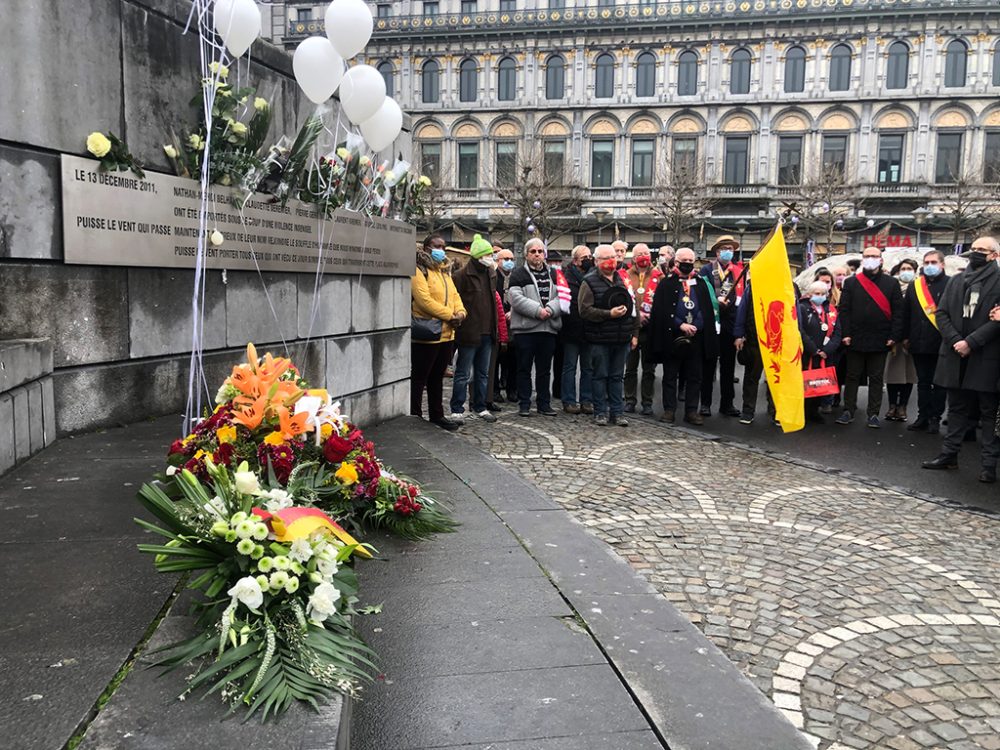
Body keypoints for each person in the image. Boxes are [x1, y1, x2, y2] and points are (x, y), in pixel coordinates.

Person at [922, 237, 1000, 483]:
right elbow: (942, 313)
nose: (976, 253)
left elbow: (997, 321)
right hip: (955, 354)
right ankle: (949, 455)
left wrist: (971, 342)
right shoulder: (957, 280)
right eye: (974, 249)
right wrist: (957, 340)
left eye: (982, 250)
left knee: (988, 413)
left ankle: (988, 465)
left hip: (985, 356)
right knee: (956, 408)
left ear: (994, 255)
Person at [649, 247, 719, 425]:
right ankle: (669, 410)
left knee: (695, 376)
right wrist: (680, 324)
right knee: (670, 375)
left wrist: (696, 325)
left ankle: (691, 411)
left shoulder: (701, 283)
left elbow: (707, 309)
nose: (688, 265)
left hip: (696, 337)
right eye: (684, 262)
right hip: (673, 337)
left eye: (691, 261)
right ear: (676, 262)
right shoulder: (667, 284)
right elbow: (661, 310)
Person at [835, 246, 903, 428]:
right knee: (852, 376)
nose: (870, 259)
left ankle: (873, 414)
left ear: (881, 260)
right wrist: (846, 334)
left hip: (881, 338)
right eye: (867, 256)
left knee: (876, 378)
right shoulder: (851, 283)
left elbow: (898, 313)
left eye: (874, 256)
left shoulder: (891, 283)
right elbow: (845, 310)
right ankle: (848, 409)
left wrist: (893, 336)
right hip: (855, 338)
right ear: (862, 259)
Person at [579, 244, 639, 426]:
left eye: (612, 257)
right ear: (596, 261)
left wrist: (635, 333)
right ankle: (600, 412)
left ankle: (617, 413)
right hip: (600, 338)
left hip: (622, 338)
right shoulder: (588, 281)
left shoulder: (623, 280)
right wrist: (608, 314)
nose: (610, 261)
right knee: (600, 375)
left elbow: (634, 308)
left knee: (617, 376)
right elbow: (584, 310)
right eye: (605, 258)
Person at [410, 235, 465, 431]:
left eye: (443, 246)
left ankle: (437, 414)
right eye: (436, 246)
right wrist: (450, 315)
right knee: (419, 377)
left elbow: (455, 296)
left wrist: (460, 312)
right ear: (426, 248)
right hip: (427, 333)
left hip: (446, 334)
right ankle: (415, 415)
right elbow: (424, 301)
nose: (440, 249)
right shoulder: (419, 270)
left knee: (437, 377)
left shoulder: (444, 271)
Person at [508, 238, 563, 417]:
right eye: (533, 251)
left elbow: (563, 296)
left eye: (540, 251)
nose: (537, 254)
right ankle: (524, 404)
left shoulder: (555, 274)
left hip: (548, 329)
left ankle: (544, 403)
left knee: (544, 370)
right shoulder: (518, 274)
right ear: (526, 254)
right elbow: (515, 299)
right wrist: (538, 311)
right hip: (525, 330)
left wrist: (550, 309)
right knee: (524, 368)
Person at [449, 234, 499, 424]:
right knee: (463, 373)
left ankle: (480, 406)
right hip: (469, 332)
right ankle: (457, 408)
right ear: (478, 256)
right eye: (487, 254)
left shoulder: (491, 273)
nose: (490, 258)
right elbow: (455, 301)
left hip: (488, 332)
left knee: (483, 372)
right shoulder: (461, 276)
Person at [902, 250, 949, 433]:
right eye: (926, 262)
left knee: (939, 384)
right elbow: (907, 314)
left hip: (941, 342)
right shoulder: (915, 286)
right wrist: (905, 337)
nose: (929, 266)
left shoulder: (951, 284)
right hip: (919, 342)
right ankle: (922, 416)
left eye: (933, 262)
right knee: (922, 382)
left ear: (942, 264)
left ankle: (935, 418)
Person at [699, 235, 745, 418]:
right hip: (712, 322)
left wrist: (740, 332)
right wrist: (714, 301)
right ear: (717, 252)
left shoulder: (739, 272)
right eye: (725, 248)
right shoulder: (706, 270)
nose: (728, 252)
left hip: (731, 323)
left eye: (731, 249)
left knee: (728, 367)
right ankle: (705, 403)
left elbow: (744, 300)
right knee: (708, 366)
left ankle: (727, 404)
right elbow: (701, 294)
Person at [624, 243, 663, 415]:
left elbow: (663, 301)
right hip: (631, 328)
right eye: (640, 254)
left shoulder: (659, 276)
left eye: (646, 253)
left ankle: (647, 402)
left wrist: (650, 316)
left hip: (650, 328)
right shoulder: (624, 275)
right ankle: (630, 400)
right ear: (633, 257)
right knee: (630, 368)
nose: (643, 257)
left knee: (649, 369)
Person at [798, 280, 843, 424]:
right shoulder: (802, 308)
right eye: (817, 293)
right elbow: (801, 330)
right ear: (810, 294)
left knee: (819, 383)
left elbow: (837, 333)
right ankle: (804, 411)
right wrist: (813, 349)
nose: (820, 296)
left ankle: (814, 410)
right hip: (808, 353)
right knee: (806, 382)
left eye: (823, 294)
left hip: (826, 354)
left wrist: (827, 350)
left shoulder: (831, 310)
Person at [734, 275, 775, 425]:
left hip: (777, 342)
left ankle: (775, 411)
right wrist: (739, 334)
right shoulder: (752, 287)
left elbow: (794, 311)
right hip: (754, 339)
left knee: (775, 379)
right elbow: (742, 311)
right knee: (752, 377)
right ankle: (748, 411)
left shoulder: (787, 285)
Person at [560, 245, 595, 414]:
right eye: (584, 257)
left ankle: (586, 400)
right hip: (571, 329)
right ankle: (569, 400)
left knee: (588, 368)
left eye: (590, 256)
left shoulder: (594, 276)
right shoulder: (566, 277)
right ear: (575, 261)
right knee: (570, 367)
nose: (588, 260)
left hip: (589, 329)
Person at [884, 259, 919, 422]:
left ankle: (903, 406)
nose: (906, 271)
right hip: (894, 338)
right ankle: (892, 406)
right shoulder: (892, 286)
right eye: (903, 268)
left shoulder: (920, 288)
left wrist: (910, 337)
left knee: (909, 375)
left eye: (909, 268)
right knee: (893, 374)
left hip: (912, 339)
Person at [492, 245, 517, 403]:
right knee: (495, 360)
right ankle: (494, 391)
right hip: (497, 322)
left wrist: (514, 311)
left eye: (511, 259)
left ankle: (512, 389)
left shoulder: (516, 277)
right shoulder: (493, 277)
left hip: (514, 323)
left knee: (513, 359)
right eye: (506, 259)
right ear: (498, 260)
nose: (509, 262)